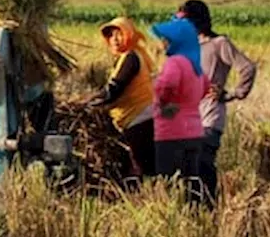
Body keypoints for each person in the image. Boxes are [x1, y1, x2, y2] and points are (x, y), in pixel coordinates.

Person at [178, 0, 257, 199]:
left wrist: (231, 94)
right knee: (188, 170)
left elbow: (247, 67)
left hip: (210, 116)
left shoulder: (219, 43)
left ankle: (210, 207)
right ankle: (196, 213)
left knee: (202, 164)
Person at [88, 18, 156, 180]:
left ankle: (148, 198)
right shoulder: (129, 56)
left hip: (138, 118)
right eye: (111, 36)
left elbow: (115, 88)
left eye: (120, 34)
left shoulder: (130, 58)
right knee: (141, 165)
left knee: (142, 167)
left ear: (129, 35)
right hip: (137, 117)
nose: (115, 39)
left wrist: (91, 102)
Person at [152, 17, 209, 206]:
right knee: (192, 183)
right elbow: (206, 88)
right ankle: (194, 219)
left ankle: (174, 223)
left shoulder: (175, 62)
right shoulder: (196, 66)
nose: (164, 43)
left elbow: (166, 85)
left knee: (170, 184)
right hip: (195, 132)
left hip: (171, 133)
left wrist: (163, 102)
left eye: (167, 39)